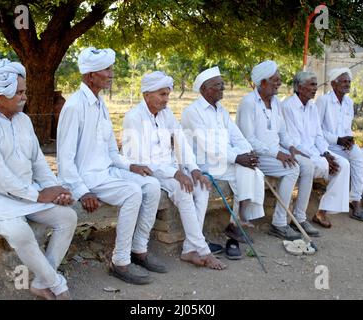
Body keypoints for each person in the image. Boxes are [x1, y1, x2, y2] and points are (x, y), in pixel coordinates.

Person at [0, 59, 76, 300]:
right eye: (19, 92)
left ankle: (42, 281)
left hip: (25, 193)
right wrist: (40, 195)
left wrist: (54, 188)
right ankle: (57, 284)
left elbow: (38, 162)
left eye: (24, 92)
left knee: (68, 217)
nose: (24, 97)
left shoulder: (24, 120)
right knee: (21, 233)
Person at [57, 47, 165, 285]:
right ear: (90, 76)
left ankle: (139, 249)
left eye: (110, 68)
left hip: (107, 172)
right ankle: (120, 261)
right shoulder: (75, 106)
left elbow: (110, 151)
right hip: (87, 178)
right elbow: (65, 158)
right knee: (133, 192)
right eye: (106, 69)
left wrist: (131, 166)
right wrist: (81, 190)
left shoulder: (100, 103)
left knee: (152, 185)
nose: (111, 73)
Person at [122, 71, 226, 270]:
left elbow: (181, 142)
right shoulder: (133, 117)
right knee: (184, 190)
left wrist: (194, 169)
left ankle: (189, 248)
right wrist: (176, 174)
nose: (167, 100)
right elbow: (140, 160)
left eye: (168, 94)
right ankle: (204, 251)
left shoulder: (166, 113)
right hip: (145, 173)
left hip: (169, 171)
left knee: (202, 186)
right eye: (162, 94)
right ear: (147, 95)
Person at [181, 66, 265, 260]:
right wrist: (238, 158)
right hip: (204, 164)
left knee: (253, 171)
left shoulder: (222, 110)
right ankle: (237, 223)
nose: (223, 88)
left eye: (222, 84)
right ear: (205, 89)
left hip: (226, 160)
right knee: (248, 172)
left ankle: (237, 222)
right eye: (218, 85)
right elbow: (208, 146)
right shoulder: (192, 112)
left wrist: (248, 152)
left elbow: (237, 135)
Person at [236, 60, 319, 239]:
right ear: (263, 82)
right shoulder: (248, 102)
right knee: (292, 168)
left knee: (308, 165)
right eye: (275, 80)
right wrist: (277, 153)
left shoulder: (275, 102)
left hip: (275, 152)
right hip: (255, 155)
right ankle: (279, 223)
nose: (279, 83)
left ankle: (299, 217)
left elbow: (283, 132)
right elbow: (248, 138)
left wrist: (291, 148)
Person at [281, 71, 350, 228]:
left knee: (344, 164)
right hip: (298, 152)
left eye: (315, 84)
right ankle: (299, 217)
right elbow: (294, 142)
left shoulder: (311, 107)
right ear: (299, 87)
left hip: (317, 152)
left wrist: (326, 153)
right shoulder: (287, 107)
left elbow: (319, 135)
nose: (315, 88)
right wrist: (322, 158)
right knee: (323, 165)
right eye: (312, 85)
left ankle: (322, 211)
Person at [316, 67, 363, 222]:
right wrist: (337, 139)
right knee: (360, 159)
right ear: (334, 84)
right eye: (344, 81)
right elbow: (317, 130)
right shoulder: (323, 101)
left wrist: (350, 139)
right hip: (328, 146)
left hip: (343, 145)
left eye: (349, 81)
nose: (347, 84)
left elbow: (347, 128)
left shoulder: (349, 102)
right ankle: (355, 203)